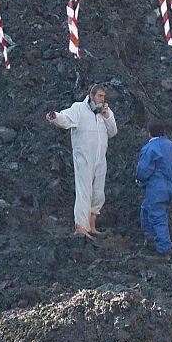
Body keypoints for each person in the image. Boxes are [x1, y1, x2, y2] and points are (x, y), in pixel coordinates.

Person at [46, 84, 118, 240]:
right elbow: (66, 118)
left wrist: (108, 117)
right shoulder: (79, 108)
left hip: (100, 158)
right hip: (84, 158)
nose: (102, 99)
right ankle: (81, 227)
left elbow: (113, 132)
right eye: (100, 96)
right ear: (91, 96)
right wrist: (55, 117)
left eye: (104, 96)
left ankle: (92, 225)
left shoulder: (104, 112)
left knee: (98, 193)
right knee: (84, 191)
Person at [136, 120, 172, 260]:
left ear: (149, 133)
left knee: (158, 217)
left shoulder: (150, 148)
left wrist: (140, 180)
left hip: (157, 189)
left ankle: (164, 251)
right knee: (146, 208)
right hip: (171, 187)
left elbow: (143, 170)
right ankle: (150, 238)